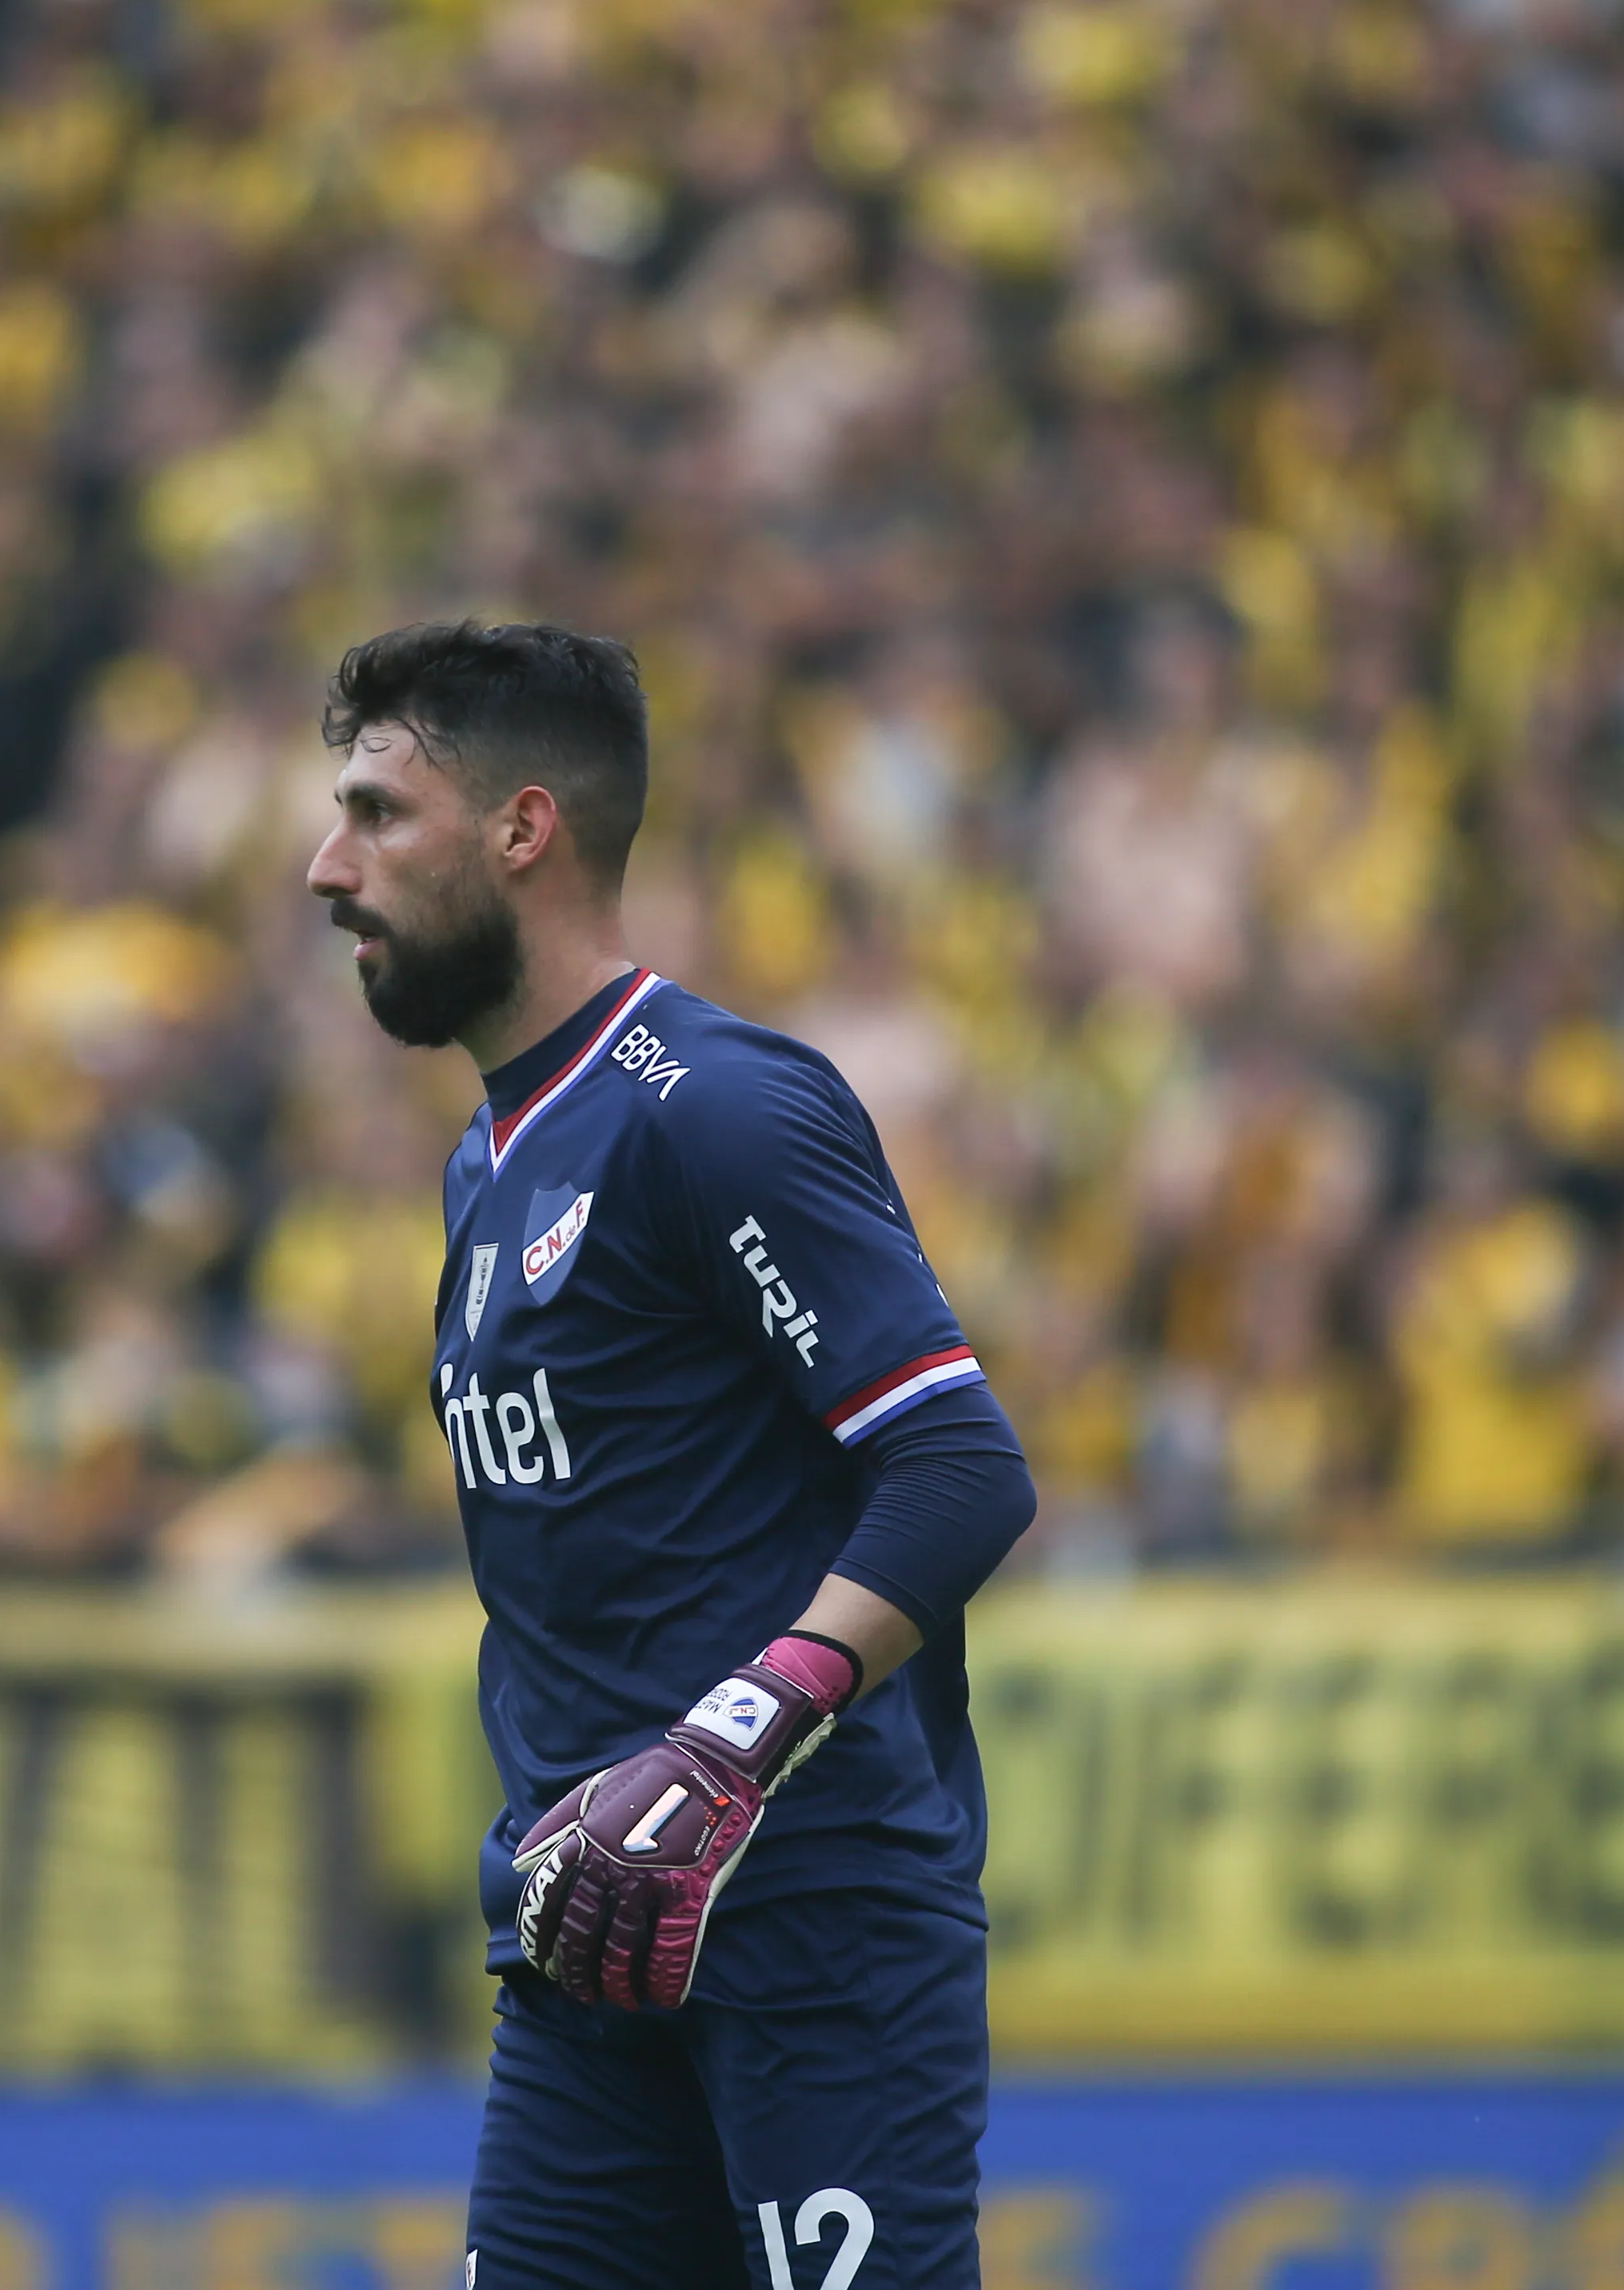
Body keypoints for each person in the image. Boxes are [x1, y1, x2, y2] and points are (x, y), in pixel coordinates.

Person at [305, 622, 1038, 2289]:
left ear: (522, 827)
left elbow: (958, 1465)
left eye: (374, 812)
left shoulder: (705, 1105)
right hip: (582, 1937)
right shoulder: (484, 1165)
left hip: (808, 1925)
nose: (323, 866)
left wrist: (727, 1740)